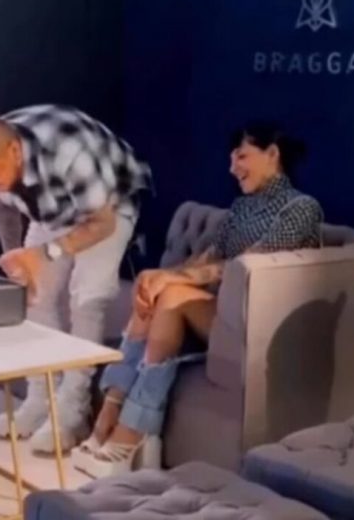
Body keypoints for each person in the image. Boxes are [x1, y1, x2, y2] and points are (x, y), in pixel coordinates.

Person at [74, 122, 321, 476]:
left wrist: (172, 280)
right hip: (220, 314)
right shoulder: (242, 207)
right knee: (155, 294)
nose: (232, 168)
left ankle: (132, 434)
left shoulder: (301, 208)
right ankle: (110, 419)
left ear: (272, 154)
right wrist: (157, 278)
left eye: (241, 156)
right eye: (231, 158)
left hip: (260, 326)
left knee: (172, 293)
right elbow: (206, 259)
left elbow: (243, 266)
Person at [0, 106, 152, 454]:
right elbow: (2, 205)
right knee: (34, 294)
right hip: (52, 203)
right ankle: (40, 398)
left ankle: (72, 411)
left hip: (107, 204)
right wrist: (17, 260)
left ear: (14, 151)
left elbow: (100, 224)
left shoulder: (69, 153)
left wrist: (46, 253)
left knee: (87, 297)